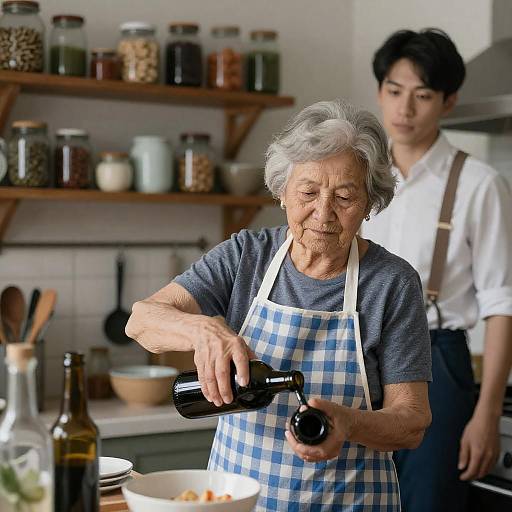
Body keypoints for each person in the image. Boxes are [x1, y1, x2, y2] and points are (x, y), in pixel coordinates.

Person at [126, 99, 432, 511]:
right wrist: (203, 330)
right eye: (308, 192)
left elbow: (411, 422)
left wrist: (348, 423)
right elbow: (141, 320)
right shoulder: (246, 256)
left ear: (369, 203)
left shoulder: (392, 283)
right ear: (282, 192)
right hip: (240, 502)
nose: (323, 213)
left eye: (344, 197)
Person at [364, 28, 512, 512]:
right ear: (380, 91)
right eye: (395, 91)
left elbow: (501, 301)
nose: (405, 109)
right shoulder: (357, 177)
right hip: (357, 358)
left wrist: (486, 412)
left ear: (448, 102)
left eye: (423, 95)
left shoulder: (479, 183)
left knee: (427, 505)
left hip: (437, 364)